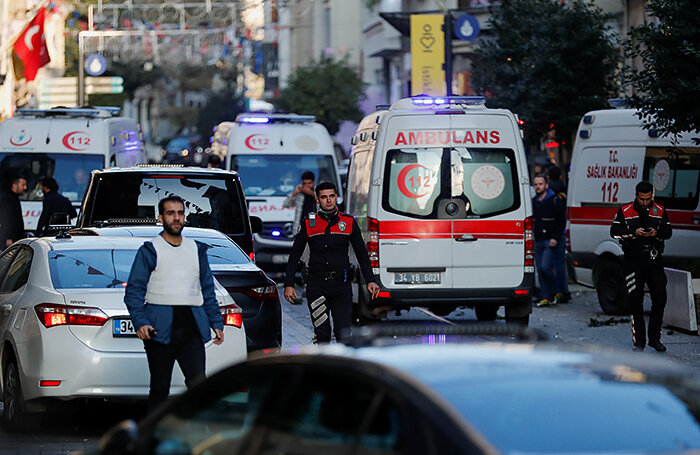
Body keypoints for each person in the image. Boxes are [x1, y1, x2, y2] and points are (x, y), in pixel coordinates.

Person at [124, 195, 225, 410]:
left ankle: (202, 435)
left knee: (199, 385)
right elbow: (134, 290)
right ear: (161, 218)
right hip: (160, 331)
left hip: (192, 329)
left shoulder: (197, 250)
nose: (176, 218)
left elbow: (207, 289)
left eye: (180, 213)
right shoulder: (150, 250)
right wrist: (140, 322)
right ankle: (152, 438)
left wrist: (216, 322)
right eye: (171, 213)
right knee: (160, 390)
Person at [283, 182, 379, 343]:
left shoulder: (348, 222)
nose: (328, 200)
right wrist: (289, 284)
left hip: (341, 286)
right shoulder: (309, 223)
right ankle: (323, 365)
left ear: (336, 197)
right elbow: (295, 254)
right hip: (316, 286)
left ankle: (341, 365)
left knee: (343, 334)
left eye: (332, 196)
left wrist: (371, 280)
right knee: (322, 334)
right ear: (318, 199)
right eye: (324, 197)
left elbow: (361, 253)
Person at [611, 181, 672, 352]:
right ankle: (639, 341)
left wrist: (656, 233)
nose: (645, 202)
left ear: (651, 195)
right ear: (636, 195)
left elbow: (668, 232)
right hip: (633, 261)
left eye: (647, 199)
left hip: (654, 260)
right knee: (635, 301)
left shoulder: (659, 210)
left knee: (660, 298)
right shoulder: (625, 210)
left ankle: (655, 338)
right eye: (641, 199)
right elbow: (614, 231)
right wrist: (634, 232)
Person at [532, 174, 566, 307]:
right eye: (535, 184)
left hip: (550, 240)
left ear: (546, 185)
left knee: (546, 267)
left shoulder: (554, 200)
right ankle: (545, 296)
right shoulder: (534, 201)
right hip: (538, 239)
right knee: (540, 270)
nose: (538, 187)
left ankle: (556, 291)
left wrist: (555, 237)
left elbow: (561, 221)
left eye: (540, 184)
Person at [546, 166, 571, 303]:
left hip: (549, 231)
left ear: (548, 177)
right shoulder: (565, 188)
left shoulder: (548, 191)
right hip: (562, 228)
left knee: (547, 265)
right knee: (560, 265)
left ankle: (552, 292)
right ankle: (564, 291)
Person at [283, 171, 317, 236]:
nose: (307, 185)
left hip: (315, 225)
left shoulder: (318, 192)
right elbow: (286, 204)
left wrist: (311, 193)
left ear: (313, 182)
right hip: (301, 226)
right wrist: (295, 193)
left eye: (309, 183)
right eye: (305, 183)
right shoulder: (299, 194)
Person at [0, 175, 27, 250]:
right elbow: (6, 219)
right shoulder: (8, 199)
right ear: (15, 185)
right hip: (11, 241)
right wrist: (8, 238)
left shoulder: (14, 198)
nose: (25, 188)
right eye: (23, 185)